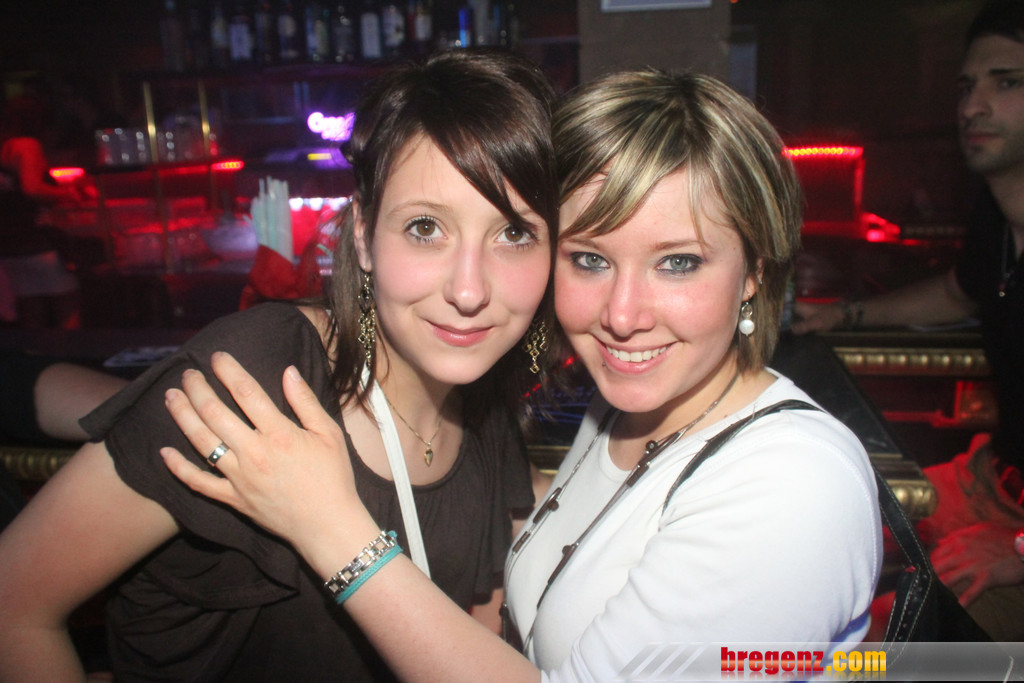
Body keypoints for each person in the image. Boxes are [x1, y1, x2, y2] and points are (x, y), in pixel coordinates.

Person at [155, 69, 883, 681]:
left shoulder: (794, 485)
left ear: (754, 271)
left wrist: (332, 527)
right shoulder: (625, 412)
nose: (622, 315)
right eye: (590, 259)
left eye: (678, 262)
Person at [0, 48, 560, 681]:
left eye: (514, 233)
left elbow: (470, 638)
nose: (469, 290)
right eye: (426, 227)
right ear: (362, 236)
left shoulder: (482, 399)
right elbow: (14, 609)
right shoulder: (257, 377)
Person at [792, 0, 1024, 642]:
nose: (973, 105)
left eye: (1006, 82)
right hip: (992, 479)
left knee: (880, 654)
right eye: (967, 86)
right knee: (821, 517)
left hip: (1017, 534)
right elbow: (957, 293)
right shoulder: (999, 221)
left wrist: (1017, 550)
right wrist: (844, 314)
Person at [0, 93, 87, 328]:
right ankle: (70, 351)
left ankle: (38, 352)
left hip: (9, 245)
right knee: (68, 309)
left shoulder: (5, 147)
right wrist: (68, 194)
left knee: (32, 314)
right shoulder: (27, 145)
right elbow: (32, 188)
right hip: (38, 241)